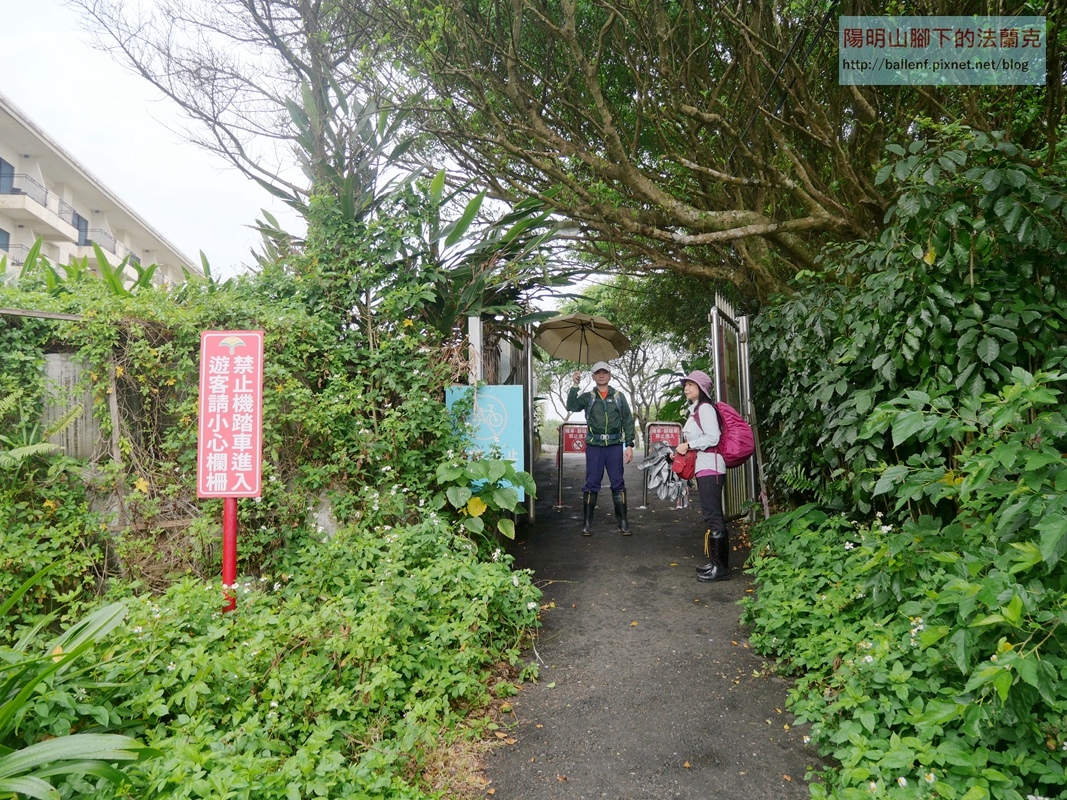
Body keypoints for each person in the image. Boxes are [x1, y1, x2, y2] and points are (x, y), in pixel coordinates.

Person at [567, 361, 636, 536]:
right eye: (598, 373)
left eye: (604, 372)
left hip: (614, 446)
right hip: (594, 446)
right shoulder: (589, 397)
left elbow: (628, 421)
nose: (602, 375)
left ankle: (623, 523)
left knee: (618, 483)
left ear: (610, 375)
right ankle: (587, 524)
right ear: (593, 376)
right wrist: (575, 385)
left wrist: (629, 445)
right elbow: (571, 406)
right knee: (591, 483)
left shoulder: (619, 396)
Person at [675, 370, 730, 582]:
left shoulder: (705, 408)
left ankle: (721, 568)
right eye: (686, 385)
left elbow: (713, 437)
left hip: (711, 467)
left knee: (713, 515)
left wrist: (688, 445)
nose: (687, 388)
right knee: (710, 514)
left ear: (702, 388)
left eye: (691, 384)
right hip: (704, 467)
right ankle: (715, 563)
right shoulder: (697, 410)